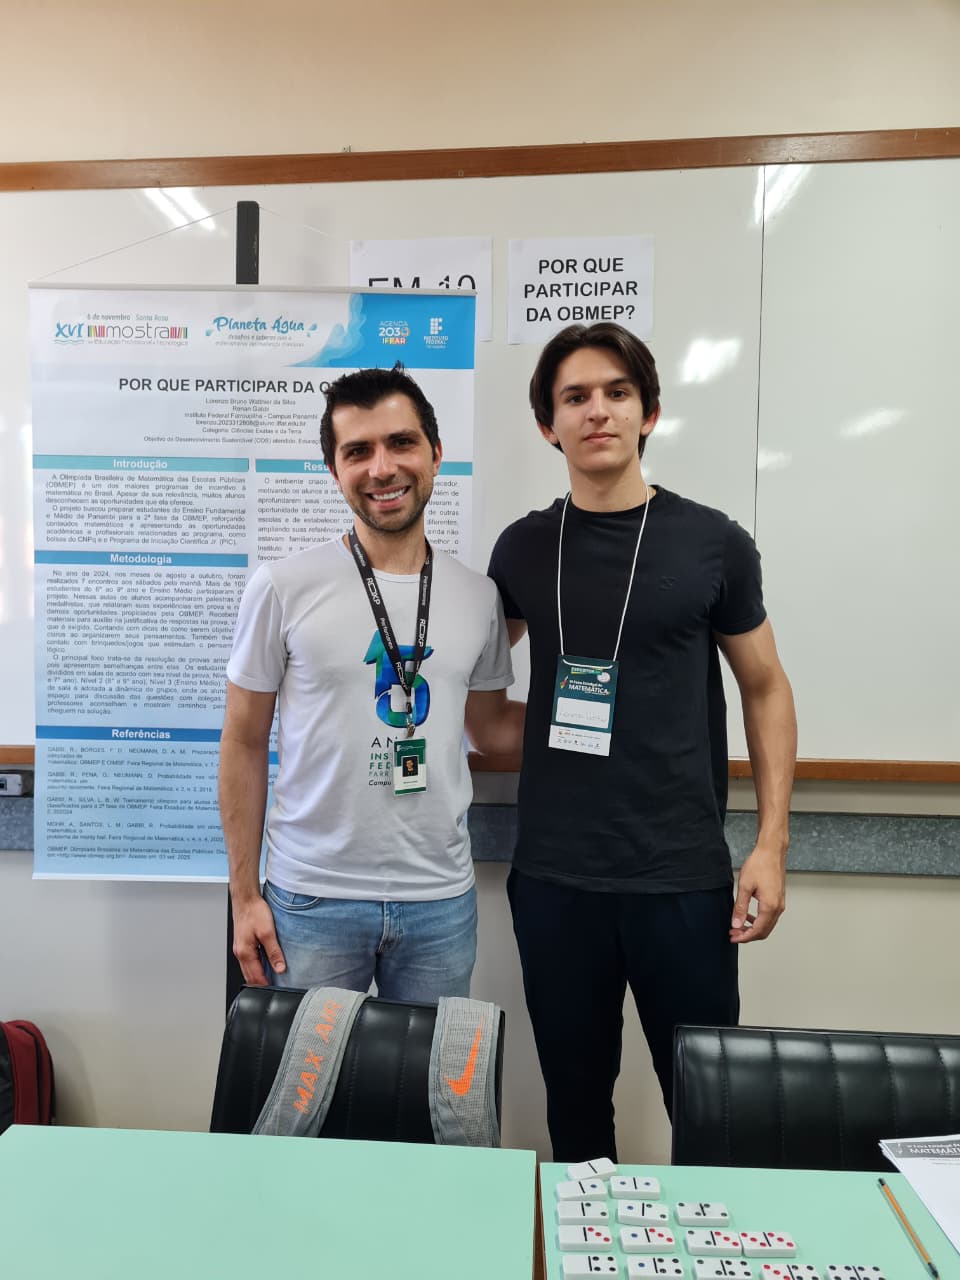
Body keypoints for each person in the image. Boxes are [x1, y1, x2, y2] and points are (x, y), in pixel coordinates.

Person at [487, 322, 797, 1161]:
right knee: (576, 1111)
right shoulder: (522, 548)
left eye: (617, 393)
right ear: (548, 425)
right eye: (575, 397)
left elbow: (765, 687)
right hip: (555, 881)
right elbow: (480, 697)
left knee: (712, 1112)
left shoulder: (713, 543)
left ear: (648, 413)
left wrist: (770, 845)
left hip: (682, 878)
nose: (598, 411)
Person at [219, 365, 522, 1000]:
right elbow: (243, 740)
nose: (382, 468)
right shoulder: (282, 586)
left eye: (401, 443)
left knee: (427, 1070)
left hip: (440, 899)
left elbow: (492, 729)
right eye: (357, 451)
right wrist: (243, 896)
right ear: (335, 471)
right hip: (311, 898)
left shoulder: (479, 597)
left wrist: (606, 719)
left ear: (435, 454)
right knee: (308, 1070)